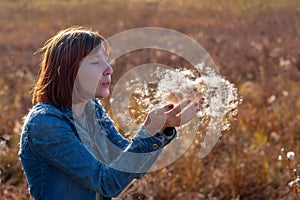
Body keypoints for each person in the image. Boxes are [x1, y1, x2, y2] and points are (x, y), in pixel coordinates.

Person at [19, 26, 203, 200]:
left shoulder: (92, 108)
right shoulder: (45, 124)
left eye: (106, 60)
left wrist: (161, 128)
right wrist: (148, 130)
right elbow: (106, 183)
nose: (109, 69)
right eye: (96, 62)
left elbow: (130, 165)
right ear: (65, 71)